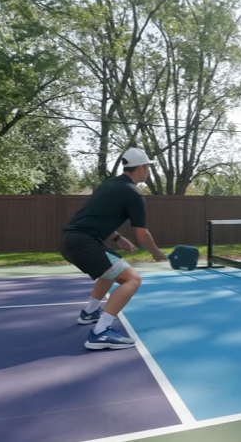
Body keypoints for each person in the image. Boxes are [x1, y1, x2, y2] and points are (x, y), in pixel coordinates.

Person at [61, 147, 167, 350]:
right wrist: (156, 253)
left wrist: (117, 237)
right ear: (142, 168)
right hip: (85, 243)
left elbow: (93, 216)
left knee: (110, 272)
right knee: (132, 279)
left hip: (72, 240)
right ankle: (100, 333)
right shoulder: (133, 193)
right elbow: (142, 234)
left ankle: (90, 313)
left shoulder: (109, 185)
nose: (149, 171)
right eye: (148, 168)